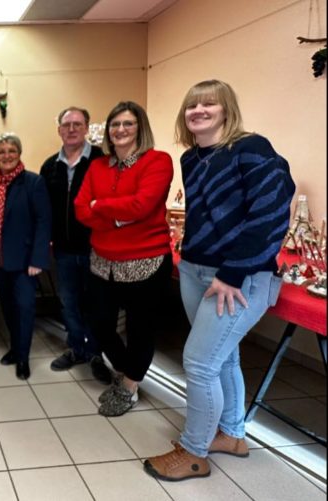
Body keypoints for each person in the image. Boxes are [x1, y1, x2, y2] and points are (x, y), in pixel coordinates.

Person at [145, 80, 295, 481]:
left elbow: (271, 215)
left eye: (208, 103)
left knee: (198, 362)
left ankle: (194, 452)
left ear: (226, 108)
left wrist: (232, 272)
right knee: (221, 357)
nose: (199, 110)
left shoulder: (252, 148)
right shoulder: (193, 159)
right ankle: (231, 434)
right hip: (195, 270)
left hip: (238, 277)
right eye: (192, 105)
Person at [74, 101, 174, 417]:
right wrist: (117, 215)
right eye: (115, 124)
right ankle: (126, 371)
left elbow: (143, 206)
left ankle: (129, 387)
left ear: (140, 127)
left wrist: (100, 206)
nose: (120, 130)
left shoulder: (157, 161)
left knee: (140, 329)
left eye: (128, 124)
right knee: (99, 324)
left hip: (145, 262)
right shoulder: (98, 166)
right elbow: (80, 209)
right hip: (102, 262)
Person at [40, 107, 112, 384]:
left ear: (86, 128)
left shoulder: (102, 161)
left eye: (77, 124)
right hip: (63, 249)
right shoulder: (49, 166)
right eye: (66, 124)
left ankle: (96, 353)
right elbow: (45, 209)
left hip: (96, 247)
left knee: (96, 304)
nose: (71, 129)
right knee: (69, 302)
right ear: (59, 130)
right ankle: (77, 349)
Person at [0, 133, 51, 380]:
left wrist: (37, 259)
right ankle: (15, 348)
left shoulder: (33, 182)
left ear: (19, 153)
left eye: (11, 151)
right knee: (8, 306)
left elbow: (43, 222)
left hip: (24, 261)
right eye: (1, 152)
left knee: (24, 308)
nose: (7, 156)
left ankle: (23, 358)